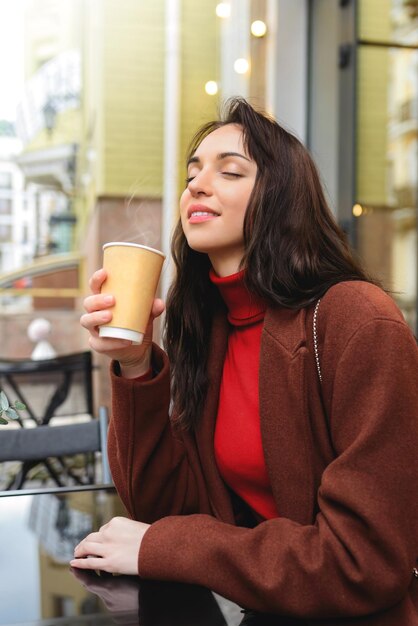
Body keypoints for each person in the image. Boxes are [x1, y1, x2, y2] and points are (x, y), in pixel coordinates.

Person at [72, 98, 418, 624]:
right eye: (193, 173)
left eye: (229, 170)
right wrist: (136, 364)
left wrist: (166, 546)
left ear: (282, 199)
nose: (197, 185)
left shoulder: (358, 320)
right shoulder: (210, 328)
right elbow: (165, 512)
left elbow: (361, 563)